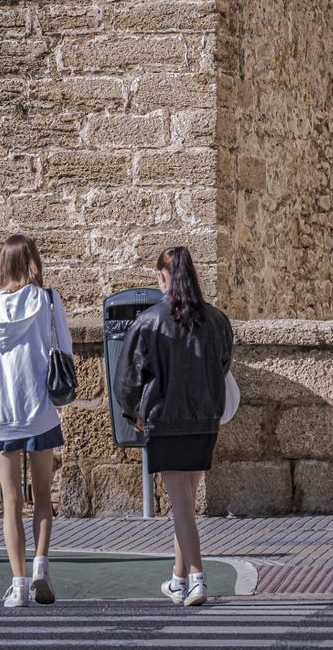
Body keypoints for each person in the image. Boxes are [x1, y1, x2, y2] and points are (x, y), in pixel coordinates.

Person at [114, 246, 234, 607]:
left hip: (165, 419)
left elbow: (127, 379)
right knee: (187, 503)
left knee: (180, 504)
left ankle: (197, 578)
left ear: (162, 277)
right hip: (204, 420)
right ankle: (178, 579)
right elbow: (223, 364)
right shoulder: (217, 320)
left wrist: (133, 412)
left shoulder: (148, 321)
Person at [0, 234, 74, 608]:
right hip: (37, 408)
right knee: (42, 495)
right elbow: (64, 349)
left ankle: (18, 584)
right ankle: (41, 568)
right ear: (33, 262)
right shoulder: (47, 300)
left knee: (10, 500)